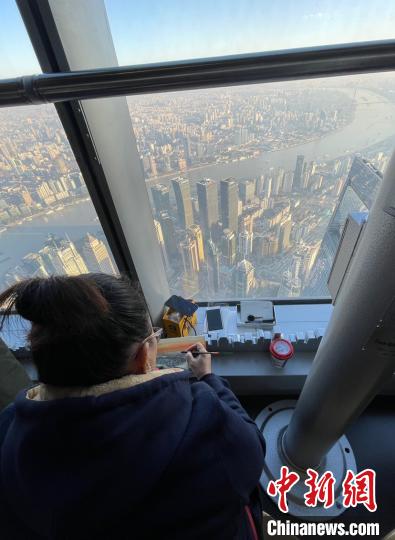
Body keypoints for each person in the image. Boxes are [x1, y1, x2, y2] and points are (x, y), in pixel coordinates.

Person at [0, 274, 265, 539]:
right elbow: (254, 448)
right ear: (142, 356)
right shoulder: (204, 418)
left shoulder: (8, 432)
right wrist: (209, 379)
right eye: (154, 337)